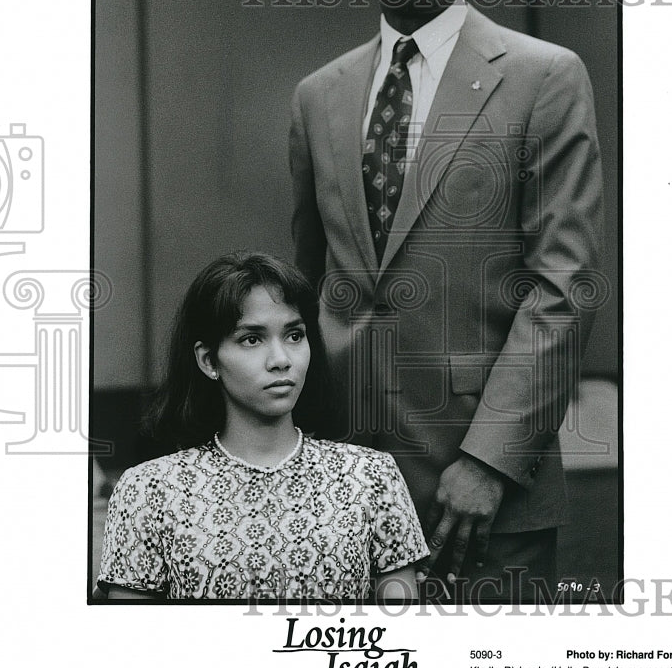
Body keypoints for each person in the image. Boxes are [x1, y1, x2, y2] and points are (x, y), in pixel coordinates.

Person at [289, 0, 604, 601]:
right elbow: (312, 284)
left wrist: (490, 460)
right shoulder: (318, 96)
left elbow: (566, 285)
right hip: (344, 481)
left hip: (480, 481)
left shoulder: (544, 76)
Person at [97, 252, 427, 600]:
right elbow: (133, 646)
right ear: (209, 361)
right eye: (252, 339)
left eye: (295, 335)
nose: (281, 360)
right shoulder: (149, 491)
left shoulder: (369, 476)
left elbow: (398, 635)